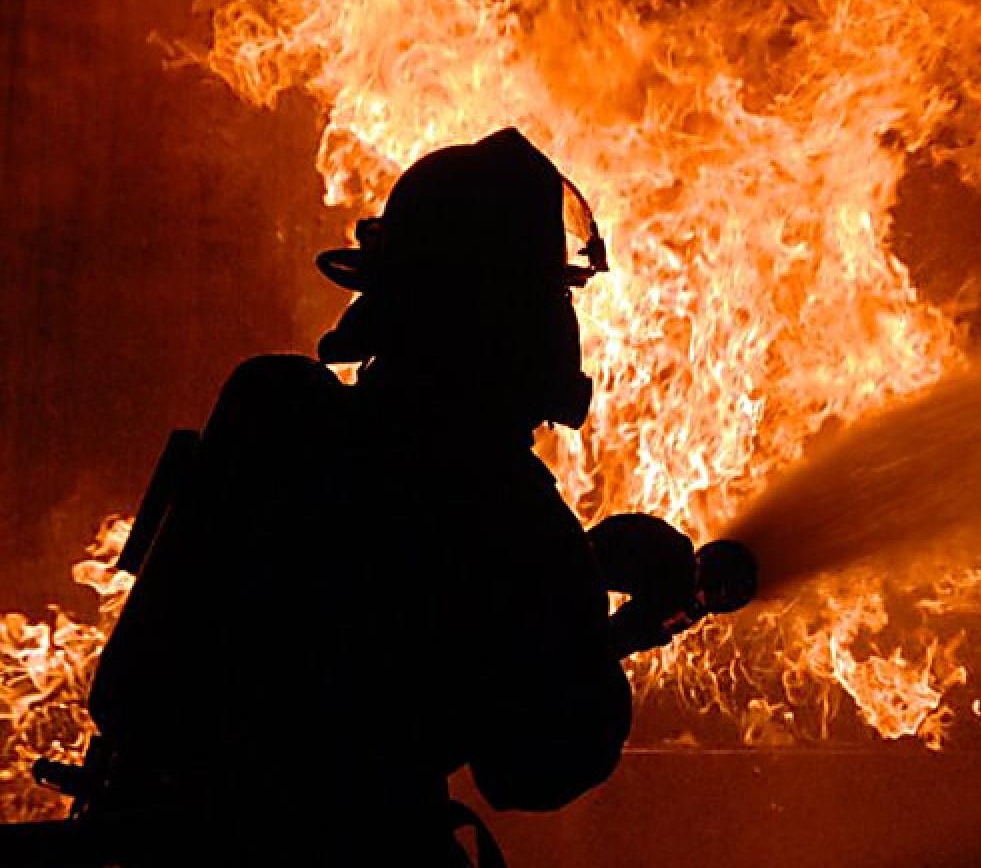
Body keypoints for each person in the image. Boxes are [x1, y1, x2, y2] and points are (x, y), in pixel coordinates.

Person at [75, 129, 640, 866]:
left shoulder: (276, 416)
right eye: (552, 295)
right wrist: (590, 628)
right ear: (511, 317)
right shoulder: (506, 513)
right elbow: (535, 765)